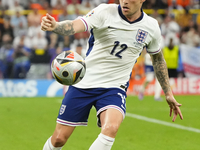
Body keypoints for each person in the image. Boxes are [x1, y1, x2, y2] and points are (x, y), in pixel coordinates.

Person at [41, 1, 183, 150]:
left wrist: (168, 93)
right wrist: (56, 26)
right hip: (84, 83)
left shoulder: (151, 26)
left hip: (114, 88)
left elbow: (158, 59)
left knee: (111, 128)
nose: (125, 1)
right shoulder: (105, 11)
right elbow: (76, 25)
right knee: (58, 139)